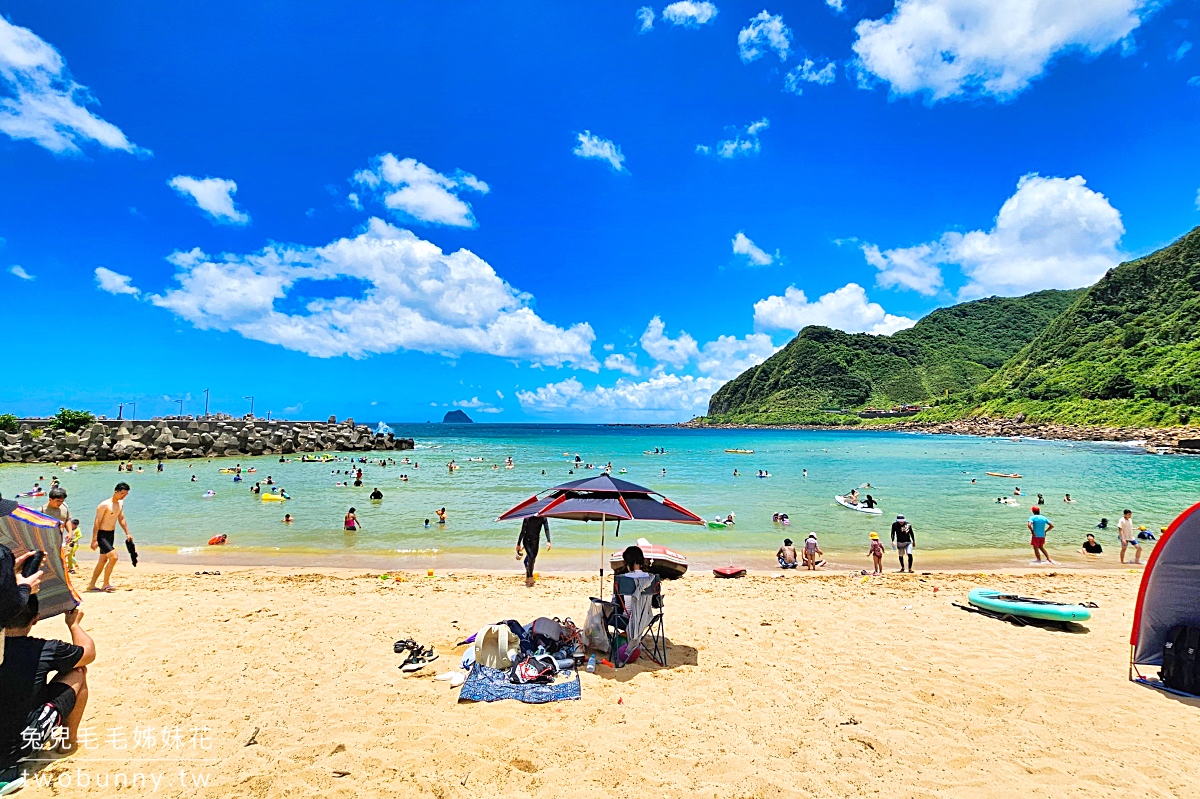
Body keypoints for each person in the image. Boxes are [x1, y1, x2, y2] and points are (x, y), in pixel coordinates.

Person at [1, 600, 95, 772]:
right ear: (36, 619)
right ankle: (68, 743)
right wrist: (74, 625)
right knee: (78, 672)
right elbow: (87, 653)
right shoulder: (44, 649)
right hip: (20, 746)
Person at [88, 483, 132, 593]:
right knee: (114, 557)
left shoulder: (120, 503)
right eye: (122, 493)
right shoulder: (104, 505)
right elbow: (97, 522)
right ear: (116, 491)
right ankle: (105, 584)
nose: (123, 496)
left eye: (126, 494)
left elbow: (121, 518)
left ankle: (91, 584)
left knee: (103, 560)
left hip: (111, 534)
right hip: (101, 535)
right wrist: (94, 540)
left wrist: (127, 533)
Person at [516, 515, 552, 587]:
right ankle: (530, 577)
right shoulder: (527, 517)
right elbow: (523, 531)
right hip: (527, 541)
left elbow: (546, 528)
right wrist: (518, 543)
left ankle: (528, 575)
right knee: (531, 557)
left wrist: (548, 541)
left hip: (536, 541)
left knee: (532, 559)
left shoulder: (542, 517)